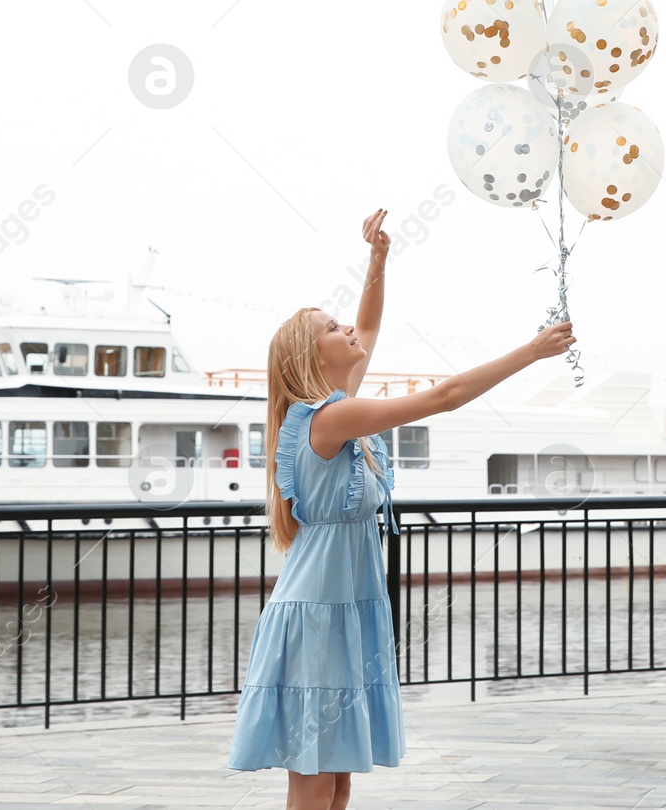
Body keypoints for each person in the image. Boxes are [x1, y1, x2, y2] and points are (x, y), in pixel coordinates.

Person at [227, 207, 576, 809]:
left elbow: (368, 325)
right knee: (314, 778)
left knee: (337, 777)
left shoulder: (338, 410)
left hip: (346, 608)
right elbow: (445, 396)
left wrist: (378, 260)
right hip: (318, 613)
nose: (350, 334)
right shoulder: (331, 418)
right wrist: (532, 351)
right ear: (312, 358)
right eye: (333, 329)